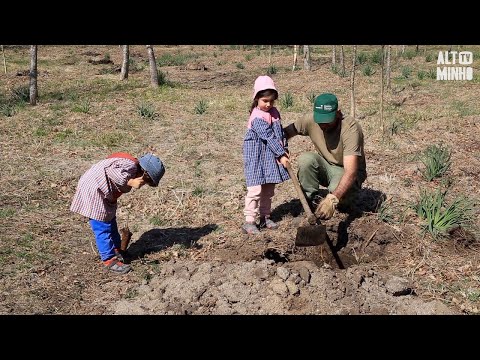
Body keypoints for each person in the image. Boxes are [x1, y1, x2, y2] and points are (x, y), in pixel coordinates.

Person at [70, 152, 165, 274]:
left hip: (103, 191)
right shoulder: (130, 166)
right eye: (147, 180)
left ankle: (116, 248)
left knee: (110, 221)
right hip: (94, 191)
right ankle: (109, 260)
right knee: (102, 226)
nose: (144, 184)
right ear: (144, 172)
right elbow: (113, 172)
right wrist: (130, 182)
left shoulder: (130, 165)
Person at [283, 93, 367, 220]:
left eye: (327, 121)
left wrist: (333, 199)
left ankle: (343, 202)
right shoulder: (310, 120)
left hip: (346, 170)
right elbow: (286, 133)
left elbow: (351, 172)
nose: (323, 125)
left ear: (338, 113)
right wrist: (280, 149)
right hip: (327, 164)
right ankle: (310, 202)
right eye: (320, 121)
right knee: (305, 160)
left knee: (337, 192)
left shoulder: (350, 129)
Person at [242, 75, 290, 235]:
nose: (268, 104)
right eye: (265, 101)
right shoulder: (257, 116)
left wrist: (285, 149)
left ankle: (265, 216)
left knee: (268, 188)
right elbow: (268, 136)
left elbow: (279, 133)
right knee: (255, 189)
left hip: (270, 155)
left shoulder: (274, 112)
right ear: (256, 99)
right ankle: (249, 221)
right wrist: (281, 154)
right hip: (256, 155)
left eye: (271, 101)